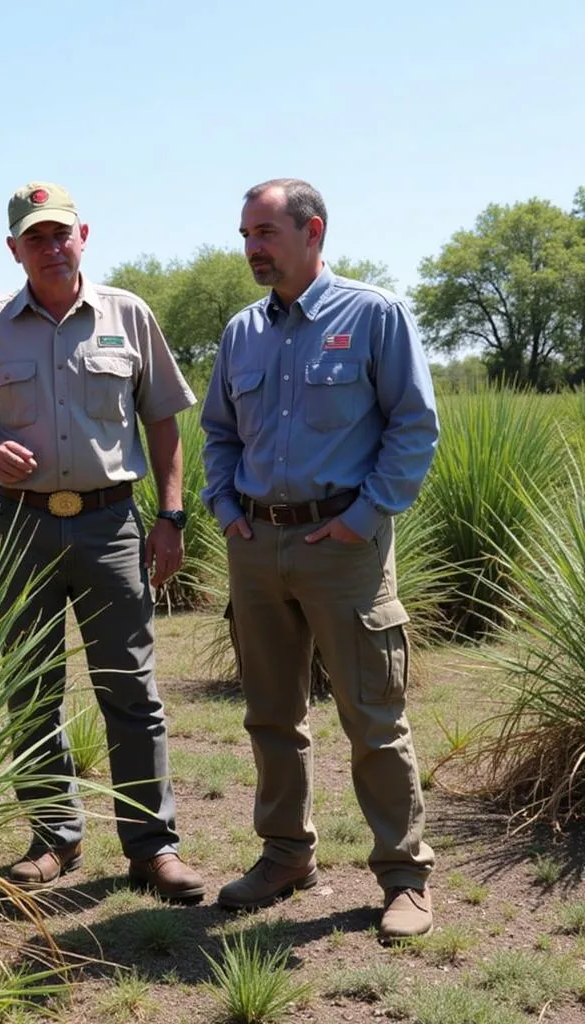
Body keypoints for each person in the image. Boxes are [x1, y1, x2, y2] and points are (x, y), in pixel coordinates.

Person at [0, 181, 204, 903]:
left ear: (84, 236)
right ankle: (55, 839)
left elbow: (165, 422)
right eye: (35, 237)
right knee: (31, 688)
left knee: (131, 689)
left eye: (62, 234)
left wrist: (170, 518)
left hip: (112, 524)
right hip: (19, 524)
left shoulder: (128, 316)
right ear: (13, 248)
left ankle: (153, 847)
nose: (51, 247)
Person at [200, 178, 438, 942]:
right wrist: (227, 509)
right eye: (246, 235)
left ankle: (403, 876)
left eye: (266, 232)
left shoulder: (375, 315)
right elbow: (218, 433)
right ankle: (284, 856)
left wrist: (365, 518)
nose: (253, 249)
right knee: (271, 714)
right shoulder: (241, 332)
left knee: (372, 716)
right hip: (256, 547)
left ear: (313, 231)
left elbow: (414, 428)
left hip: (345, 548)